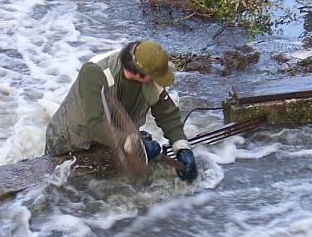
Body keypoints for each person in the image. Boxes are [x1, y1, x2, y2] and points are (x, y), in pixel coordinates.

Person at [45, 39, 198, 182]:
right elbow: (96, 126)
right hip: (69, 141)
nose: (157, 81)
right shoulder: (95, 72)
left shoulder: (149, 73)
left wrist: (182, 148)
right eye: (153, 77)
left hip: (111, 139)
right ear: (136, 73)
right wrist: (135, 144)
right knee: (64, 189)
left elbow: (167, 115)